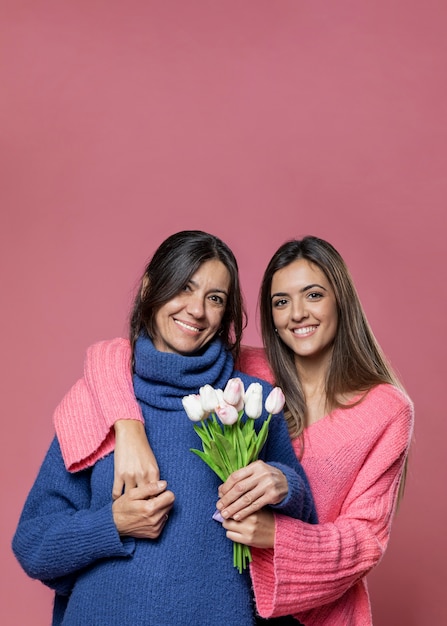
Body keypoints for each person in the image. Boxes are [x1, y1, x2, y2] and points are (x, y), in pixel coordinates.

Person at [43, 235, 413, 625]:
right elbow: (122, 353)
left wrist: (276, 535)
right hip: (235, 602)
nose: (297, 313)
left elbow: (365, 541)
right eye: (281, 302)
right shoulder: (245, 372)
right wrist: (129, 427)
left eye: (314, 295)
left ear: (342, 301)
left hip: (317, 613)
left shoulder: (385, 409)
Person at [12, 230, 317, 626]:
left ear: (226, 315)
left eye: (215, 299)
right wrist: (114, 523)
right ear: (149, 290)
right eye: (184, 288)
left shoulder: (250, 401)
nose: (196, 310)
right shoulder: (98, 401)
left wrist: (284, 485)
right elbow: (33, 544)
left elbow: (306, 528)